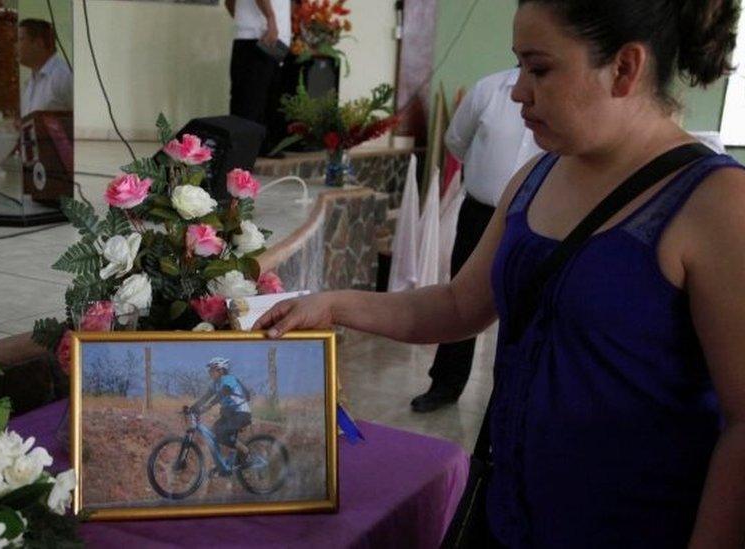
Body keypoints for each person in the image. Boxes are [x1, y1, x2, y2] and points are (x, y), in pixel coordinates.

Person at [255, 0, 745, 546]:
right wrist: (331, 304)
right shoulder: (536, 176)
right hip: (506, 516)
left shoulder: (717, 203)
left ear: (625, 68)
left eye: (539, 69)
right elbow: (459, 307)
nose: (517, 92)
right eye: (519, 68)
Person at [411, 68, 543, 413]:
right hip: (481, 212)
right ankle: (445, 383)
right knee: (462, 298)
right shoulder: (489, 89)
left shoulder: (559, 93)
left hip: (537, 219)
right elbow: (456, 140)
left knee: (528, 307)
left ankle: (514, 397)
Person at [225, 0, 292, 156]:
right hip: (257, 36)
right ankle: (243, 152)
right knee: (249, 101)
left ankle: (261, 146)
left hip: (273, 39)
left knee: (267, 99)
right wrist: (270, 19)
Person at [190, 357, 253, 473]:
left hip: (241, 413)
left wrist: (209, 406)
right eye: (210, 370)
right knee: (215, 433)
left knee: (221, 433)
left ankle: (246, 453)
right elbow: (206, 397)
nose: (210, 372)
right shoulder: (215, 384)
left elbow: (223, 392)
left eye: (212, 370)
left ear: (221, 370)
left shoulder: (228, 379)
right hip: (229, 415)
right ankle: (221, 464)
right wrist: (193, 408)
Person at [17, 19, 73, 116]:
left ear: (39, 43)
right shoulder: (29, 84)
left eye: (20, 39)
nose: (16, 46)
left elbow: (85, 116)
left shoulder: (64, 76)